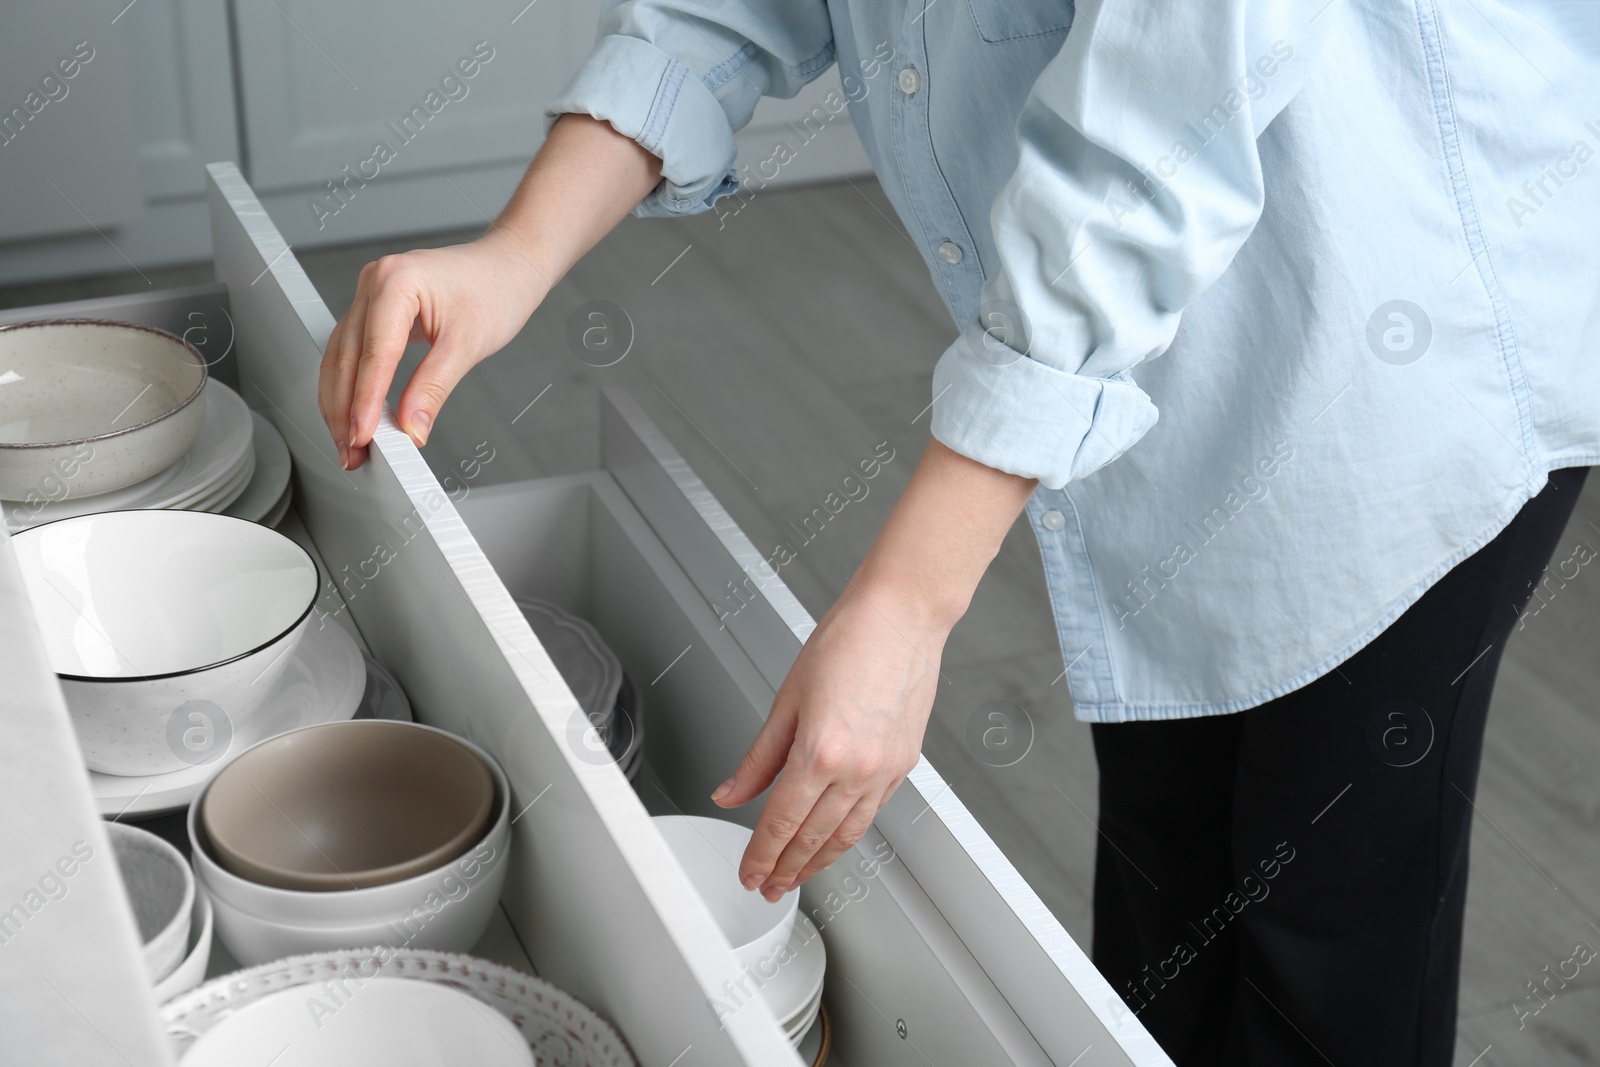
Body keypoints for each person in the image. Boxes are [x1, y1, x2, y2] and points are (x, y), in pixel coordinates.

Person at [317, 2, 1599, 1063]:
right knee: (1173, 893)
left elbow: (1152, 145)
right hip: (1172, 381)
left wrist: (910, 601)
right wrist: (518, 250)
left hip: (1399, 343)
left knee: (1319, 952)